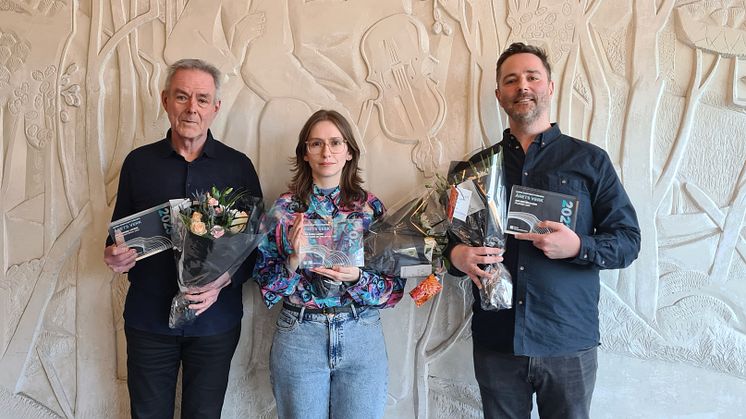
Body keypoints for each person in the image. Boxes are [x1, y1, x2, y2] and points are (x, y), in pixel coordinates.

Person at [446, 42, 641, 418]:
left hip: (567, 343)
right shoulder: (474, 169)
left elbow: (628, 242)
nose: (523, 86)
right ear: (499, 94)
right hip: (497, 342)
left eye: (532, 77)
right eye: (511, 80)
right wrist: (457, 255)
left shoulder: (589, 161)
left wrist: (578, 246)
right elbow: (451, 244)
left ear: (549, 87)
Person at [103, 58, 262, 419]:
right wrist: (114, 256)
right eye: (182, 96)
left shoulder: (238, 167)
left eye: (202, 99)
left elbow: (255, 248)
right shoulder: (138, 163)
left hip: (215, 322)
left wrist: (224, 280)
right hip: (148, 321)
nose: (192, 108)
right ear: (165, 100)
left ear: (215, 107)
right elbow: (115, 236)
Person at [253, 109, 405, 419]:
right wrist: (293, 262)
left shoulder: (370, 208)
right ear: (304, 153)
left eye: (336, 143)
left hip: (360, 332)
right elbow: (263, 283)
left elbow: (393, 290)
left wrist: (356, 279)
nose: (326, 152)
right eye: (316, 144)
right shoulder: (284, 209)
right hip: (299, 335)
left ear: (349, 152)